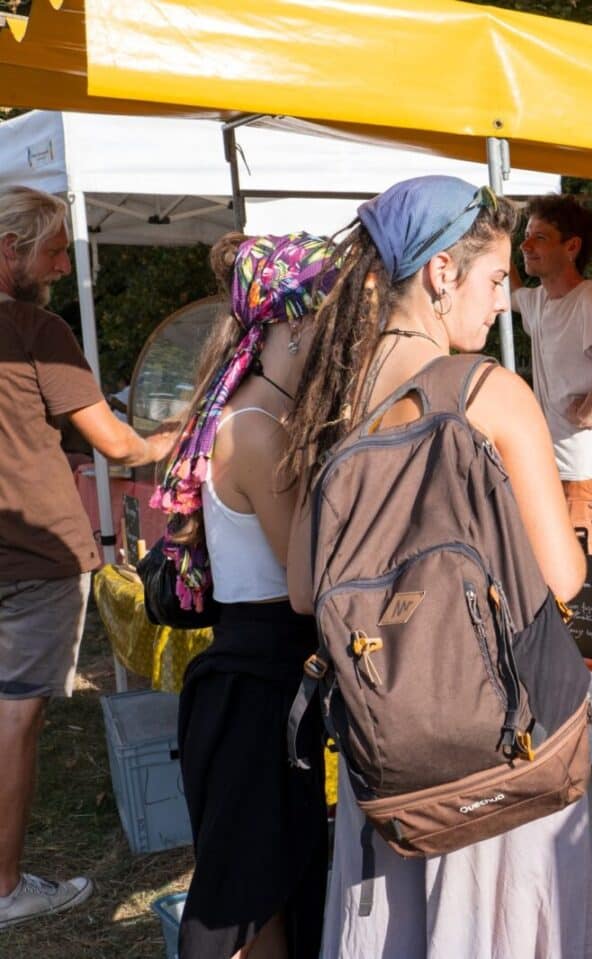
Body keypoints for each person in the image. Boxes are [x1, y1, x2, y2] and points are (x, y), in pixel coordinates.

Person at [281, 176, 589, 958]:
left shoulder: (333, 399)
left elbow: (300, 587)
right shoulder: (487, 390)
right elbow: (560, 577)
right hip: (495, 742)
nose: (499, 301)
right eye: (491, 280)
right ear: (441, 274)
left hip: (386, 747)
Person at [147, 232, 338, 959]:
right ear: (293, 320)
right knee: (252, 909)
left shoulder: (260, 415)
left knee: (273, 894)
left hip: (256, 685)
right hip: (258, 694)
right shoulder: (259, 431)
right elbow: (309, 580)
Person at [0, 185, 176, 929]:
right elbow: (118, 442)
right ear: (10, 248)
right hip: (35, 550)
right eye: (50, 249)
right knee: (15, 715)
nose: (59, 265)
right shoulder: (36, 328)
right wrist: (182, 436)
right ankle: (6, 889)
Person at [511, 194, 592, 560]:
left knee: (590, 597)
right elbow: (511, 289)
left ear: (572, 247)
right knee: (557, 586)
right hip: (554, 470)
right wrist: (497, 234)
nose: (526, 245)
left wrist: (589, 409)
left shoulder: (590, 297)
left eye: (540, 237)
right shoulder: (538, 302)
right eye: (526, 235)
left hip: (588, 472)